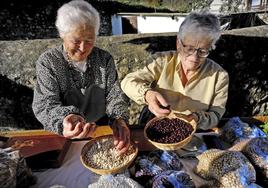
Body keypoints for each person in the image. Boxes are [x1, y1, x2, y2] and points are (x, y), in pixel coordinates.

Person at [32, 0, 130, 153]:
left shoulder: (104, 59)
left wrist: (119, 120)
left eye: (89, 41)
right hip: (65, 139)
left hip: (100, 134)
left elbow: (114, 94)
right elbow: (45, 105)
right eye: (76, 41)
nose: (83, 48)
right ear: (62, 34)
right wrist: (65, 121)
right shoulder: (48, 62)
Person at [121, 11, 229, 130]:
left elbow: (215, 115)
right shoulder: (161, 61)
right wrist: (147, 94)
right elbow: (128, 82)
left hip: (193, 135)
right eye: (189, 48)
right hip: (156, 127)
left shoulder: (220, 76)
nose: (194, 57)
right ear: (178, 43)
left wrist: (196, 118)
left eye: (203, 51)